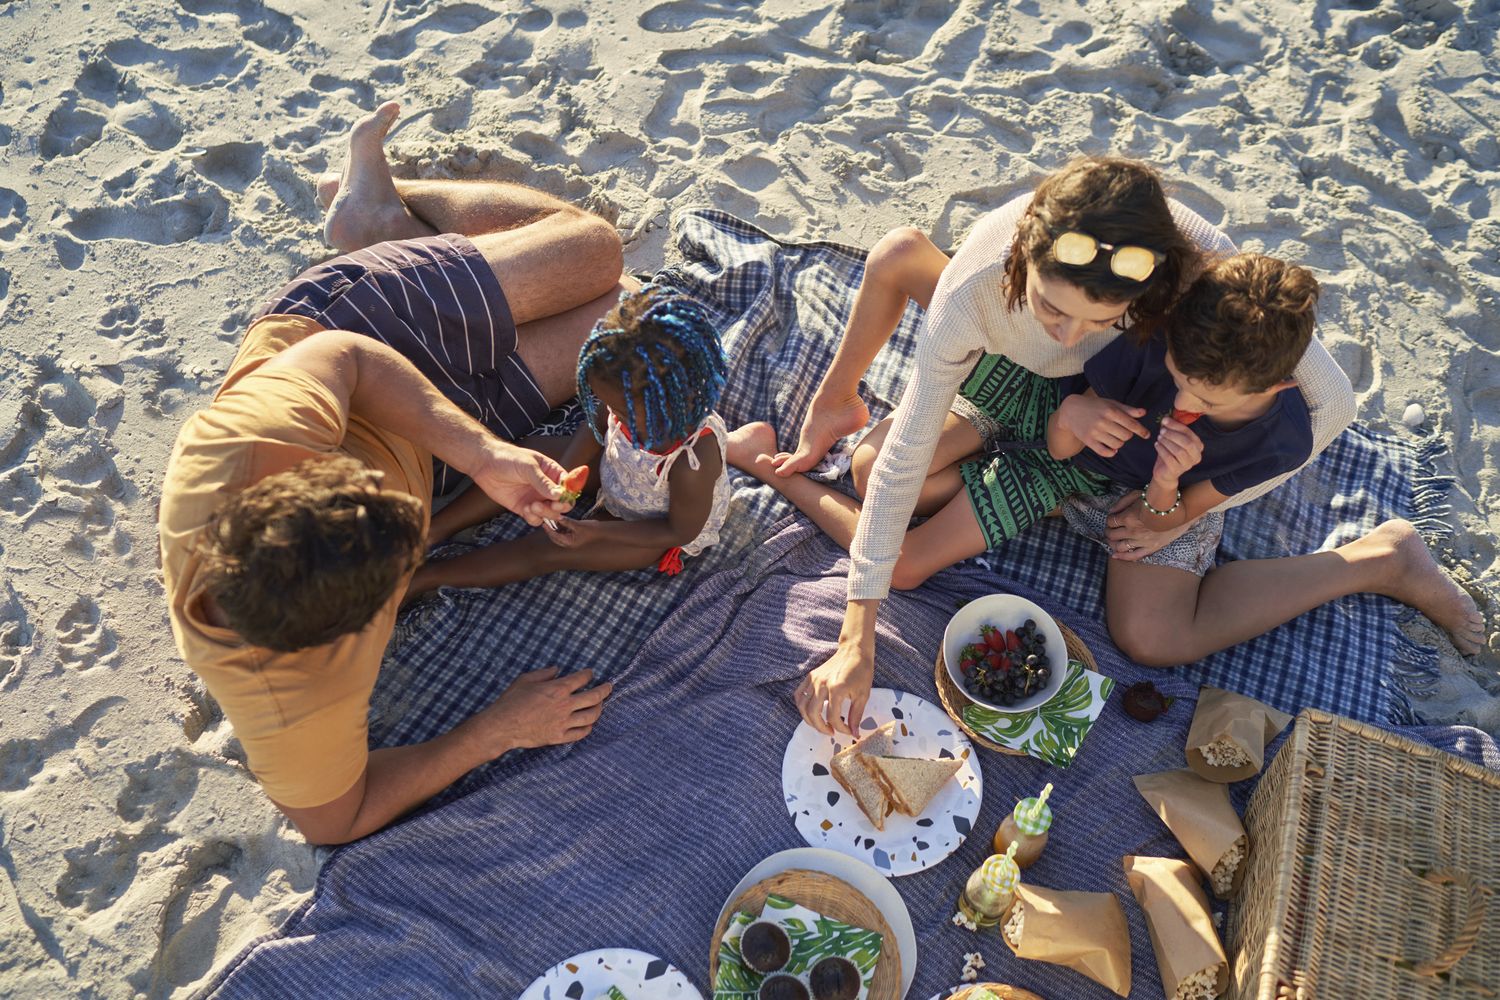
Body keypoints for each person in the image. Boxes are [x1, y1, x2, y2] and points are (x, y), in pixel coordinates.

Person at [726, 157, 1478, 736]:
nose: (1069, 338)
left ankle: (1379, 559)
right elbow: (910, 453)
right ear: (1024, 255)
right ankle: (969, 458)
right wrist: (856, 637)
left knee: (1152, 637)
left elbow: (1330, 408)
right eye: (1051, 308)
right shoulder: (977, 291)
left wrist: (1181, 509)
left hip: (1143, 464)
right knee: (873, 470)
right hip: (1044, 407)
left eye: (1102, 319)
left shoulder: (1196, 267)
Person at [159, 101, 622, 844]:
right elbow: (335, 820)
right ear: (353, 625)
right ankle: (397, 234)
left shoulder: (250, 443)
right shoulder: (285, 699)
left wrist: (484, 456)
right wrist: (493, 733)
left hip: (353, 333)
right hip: (427, 452)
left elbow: (345, 357)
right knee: (620, 319)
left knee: (595, 251)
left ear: (293, 485)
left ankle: (380, 216)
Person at [406, 283, 732, 593]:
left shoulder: (691, 461)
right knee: (528, 457)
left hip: (649, 529)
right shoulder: (629, 397)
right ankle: (433, 531)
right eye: (610, 405)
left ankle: (426, 579)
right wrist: (562, 478)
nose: (613, 413)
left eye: (621, 411)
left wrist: (594, 531)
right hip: (619, 473)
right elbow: (595, 430)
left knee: (549, 550)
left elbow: (678, 530)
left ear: (674, 401)